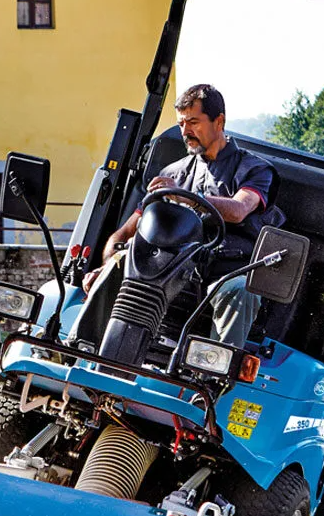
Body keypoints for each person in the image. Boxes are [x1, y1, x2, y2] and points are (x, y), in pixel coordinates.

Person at [85, 83, 279, 346]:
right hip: (168, 272)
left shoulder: (254, 170)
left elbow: (238, 210)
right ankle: (86, 350)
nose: (186, 131)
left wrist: (184, 196)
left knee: (242, 290)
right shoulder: (172, 174)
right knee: (119, 262)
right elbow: (126, 232)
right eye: (181, 124)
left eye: (194, 122)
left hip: (222, 275)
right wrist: (107, 265)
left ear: (219, 121)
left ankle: (211, 376)